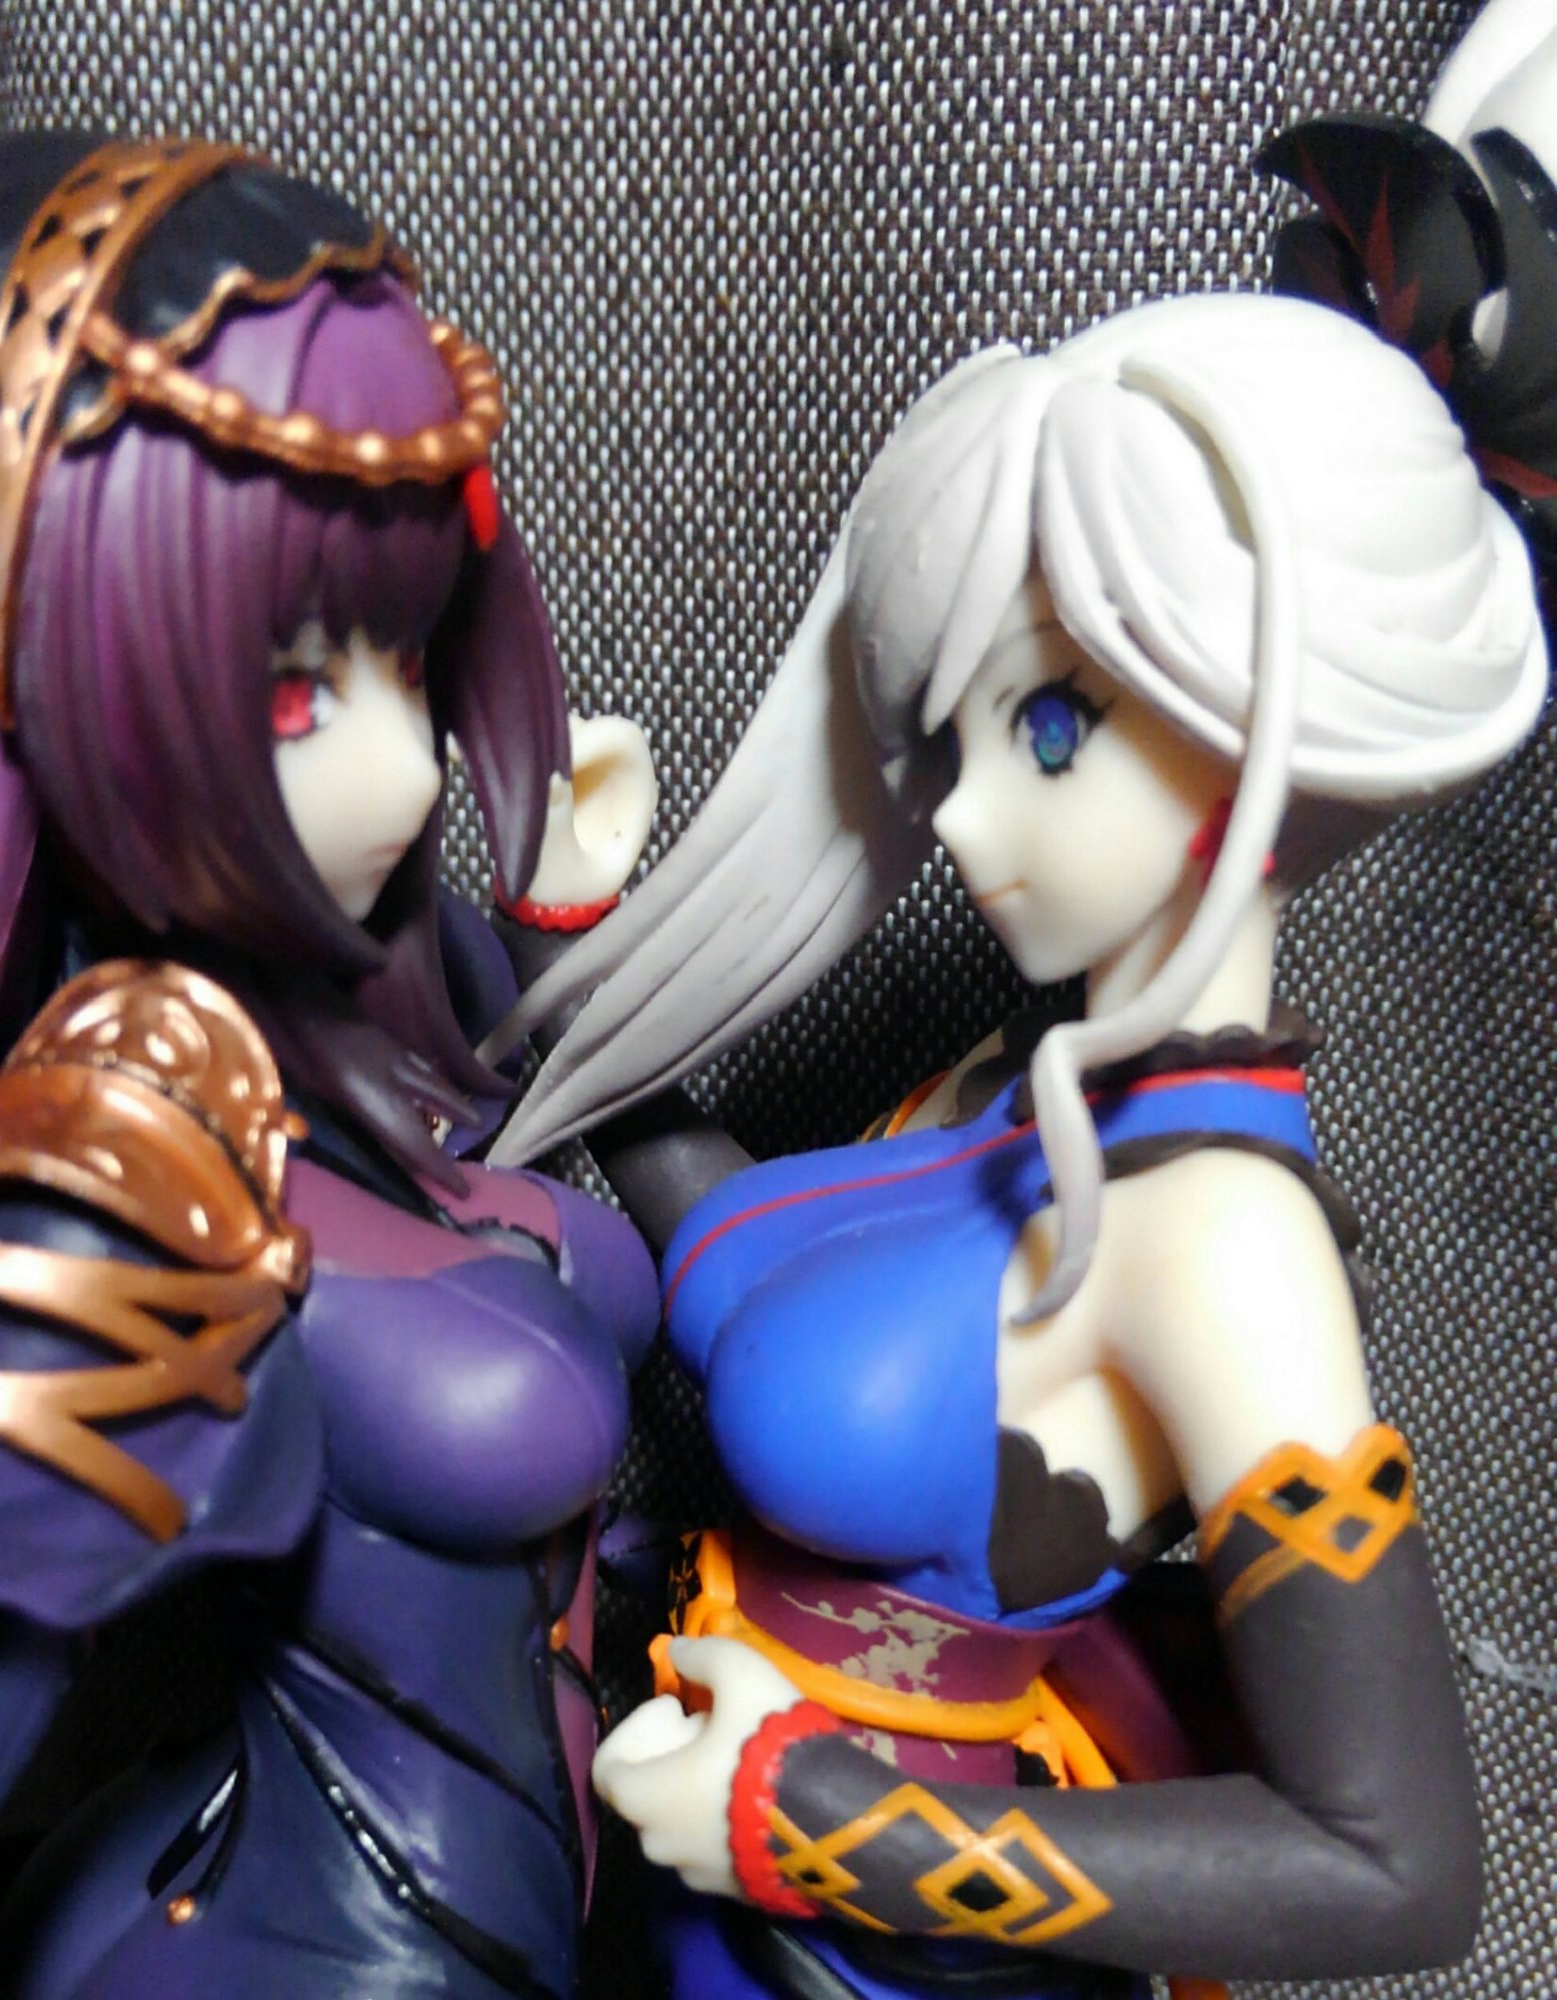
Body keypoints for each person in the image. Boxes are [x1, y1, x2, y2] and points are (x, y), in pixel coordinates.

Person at [483, 44, 1554, 2000]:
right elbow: (741, 1255)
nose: (963, 819)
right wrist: (576, 934)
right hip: (694, 1882)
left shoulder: (1219, 1239)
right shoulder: (1013, 1087)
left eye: (1049, 725)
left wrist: (813, 1821)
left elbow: (1394, 1865)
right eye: (954, 731)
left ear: (1261, 738)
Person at [0, 132, 657, 1999]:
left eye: (406, 658)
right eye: (293, 692)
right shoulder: (109, 1161)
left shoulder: (384, 1004)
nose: (408, 772)